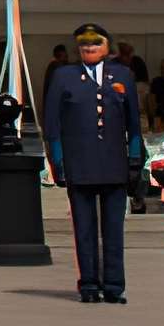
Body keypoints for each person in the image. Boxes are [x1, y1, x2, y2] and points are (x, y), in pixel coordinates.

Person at [42, 22, 143, 305]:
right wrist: (58, 162)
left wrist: (135, 159)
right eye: (84, 45)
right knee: (84, 228)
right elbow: (53, 124)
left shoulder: (122, 75)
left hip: (114, 163)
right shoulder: (64, 76)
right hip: (80, 163)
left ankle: (113, 285)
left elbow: (134, 123)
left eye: (95, 44)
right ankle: (88, 284)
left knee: (113, 229)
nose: (89, 49)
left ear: (107, 47)